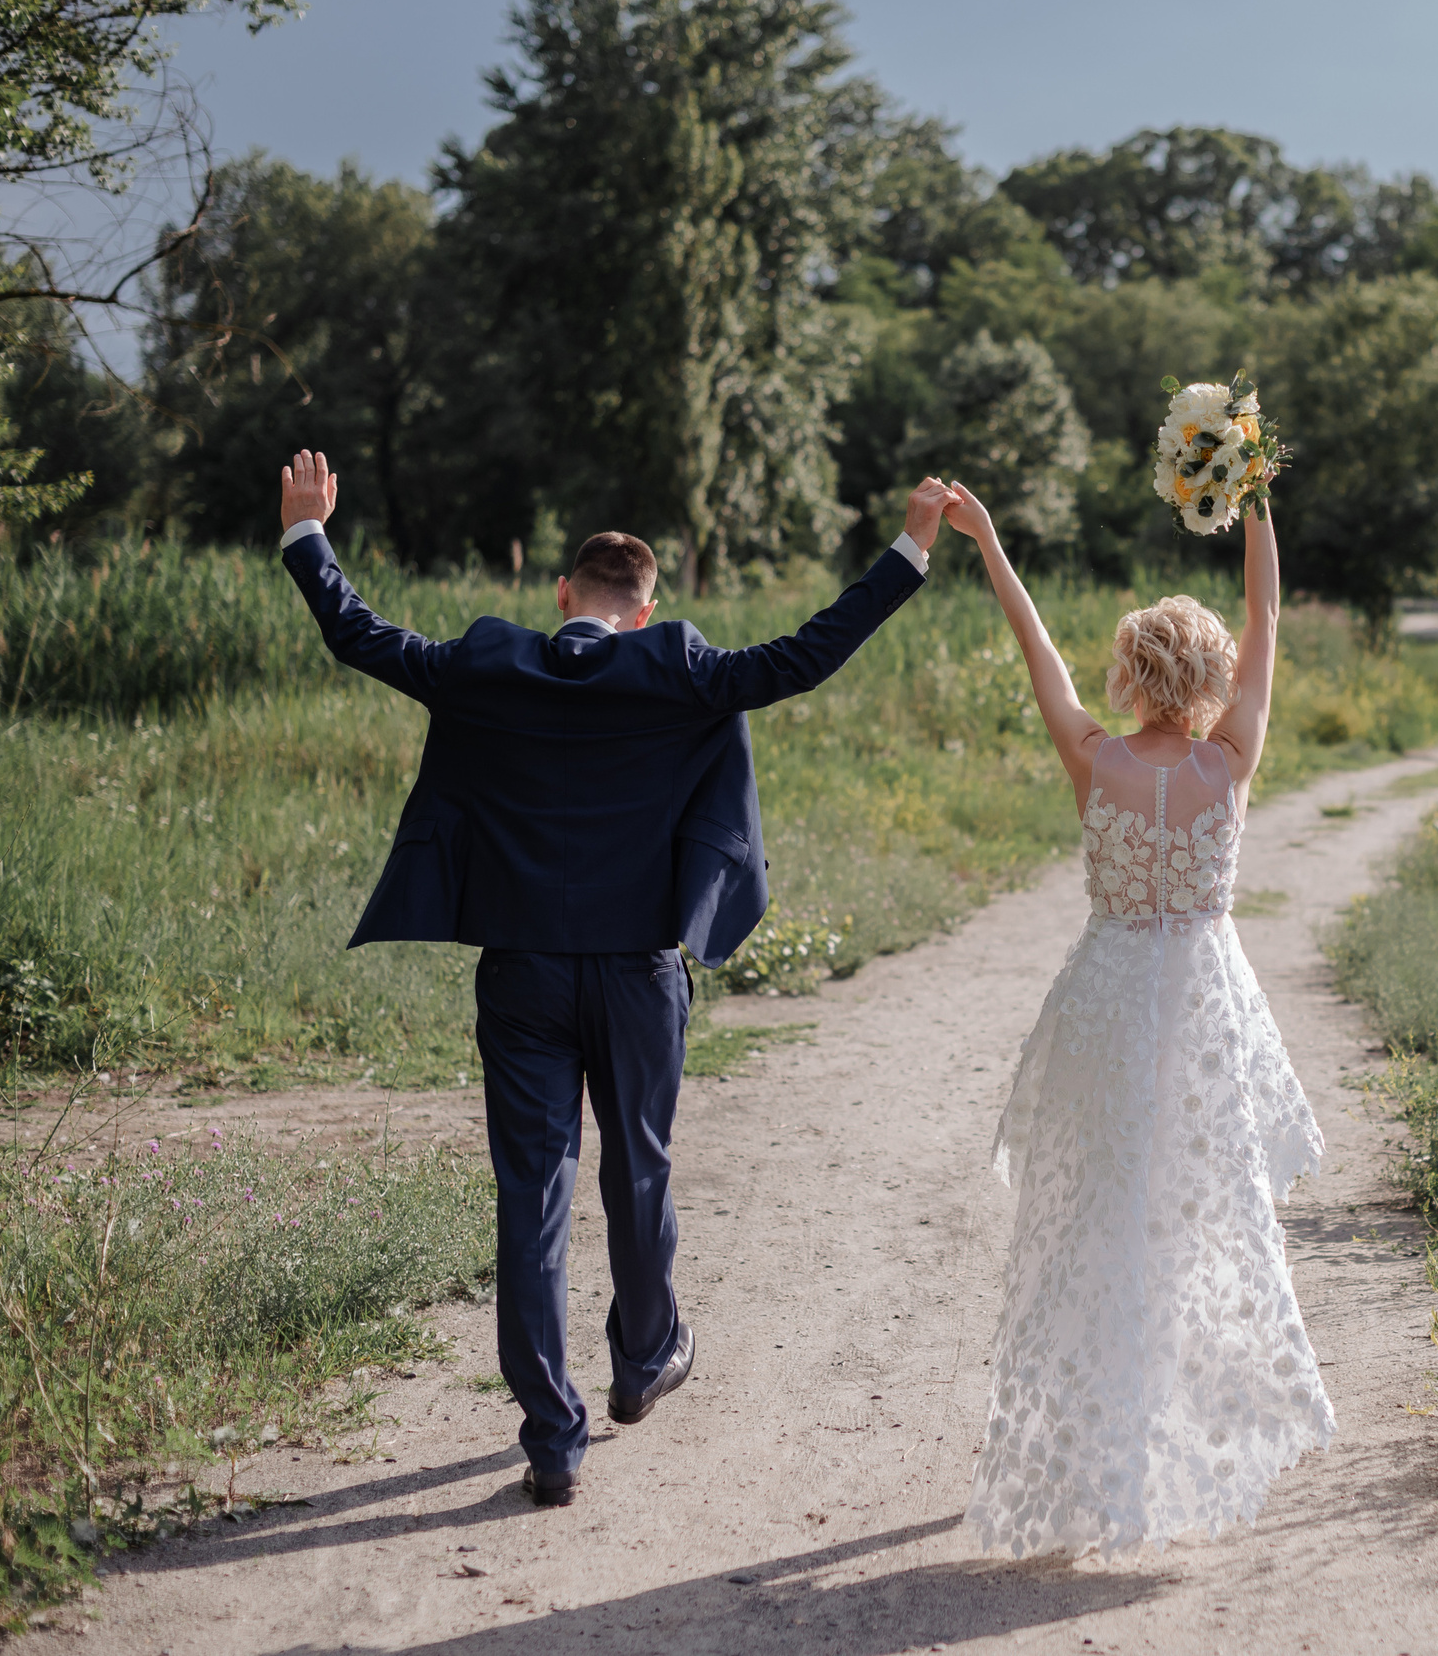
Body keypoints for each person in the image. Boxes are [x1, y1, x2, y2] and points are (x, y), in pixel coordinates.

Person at [272, 450, 948, 1508]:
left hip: (524, 974)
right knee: (638, 1165)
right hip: (638, 972)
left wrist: (308, 532)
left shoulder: (490, 662)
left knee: (530, 1192)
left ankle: (551, 1436)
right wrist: (909, 547)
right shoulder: (677, 665)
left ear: (561, 596)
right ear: (644, 607)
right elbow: (807, 653)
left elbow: (361, 635)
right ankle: (644, 1358)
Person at [944, 479, 1335, 1556]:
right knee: (1196, 1212)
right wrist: (1253, 498)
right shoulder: (1231, 759)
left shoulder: (1094, 756)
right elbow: (1268, 616)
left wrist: (988, 541)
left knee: (1096, 1218)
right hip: (1202, 1001)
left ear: (1130, 671)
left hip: (1108, 997)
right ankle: (1166, 1425)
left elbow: (1037, 648)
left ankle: (1088, 1437)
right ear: (1209, 676)